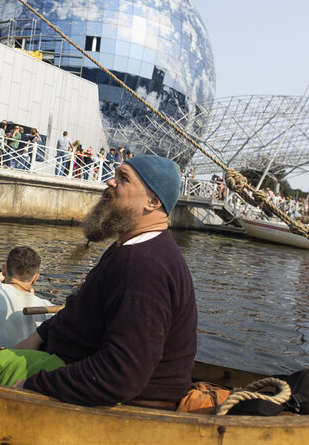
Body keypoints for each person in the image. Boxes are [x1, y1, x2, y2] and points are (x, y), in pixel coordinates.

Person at [10, 155, 197, 408]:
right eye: (115, 174)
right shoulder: (131, 248)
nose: (110, 182)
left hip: (131, 408)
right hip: (68, 365)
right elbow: (81, 308)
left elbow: (121, 376)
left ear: (153, 202)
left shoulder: (142, 268)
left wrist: (33, 385)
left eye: (124, 179)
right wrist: (39, 336)